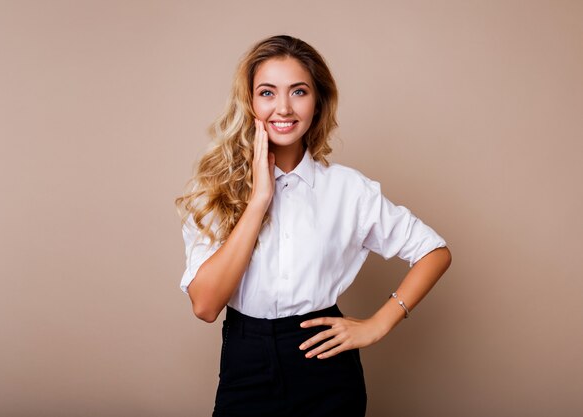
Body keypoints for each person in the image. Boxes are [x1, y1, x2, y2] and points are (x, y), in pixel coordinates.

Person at [176, 35, 452, 417]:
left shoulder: (348, 189)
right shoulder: (214, 190)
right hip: (246, 362)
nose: (283, 108)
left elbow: (434, 251)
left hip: (326, 369)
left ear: (318, 102)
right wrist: (258, 201)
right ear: (250, 101)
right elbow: (206, 306)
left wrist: (378, 323)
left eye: (299, 91)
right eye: (268, 92)